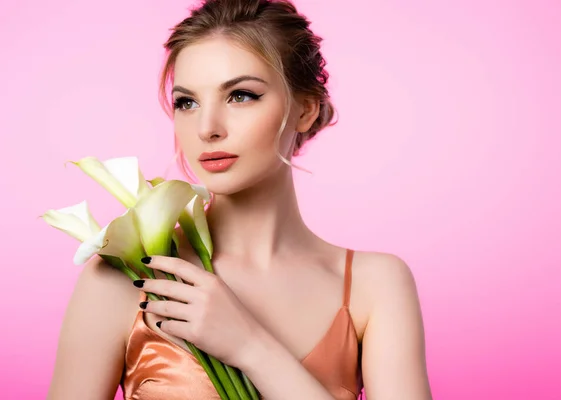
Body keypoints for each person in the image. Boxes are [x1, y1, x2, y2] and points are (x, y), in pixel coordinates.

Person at [47, 0, 433, 399]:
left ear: (306, 109)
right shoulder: (127, 277)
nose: (207, 128)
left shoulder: (375, 285)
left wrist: (252, 347)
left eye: (241, 96)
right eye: (187, 102)